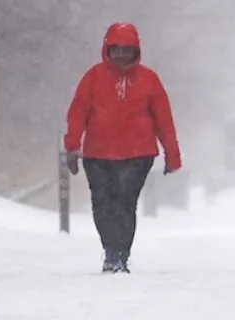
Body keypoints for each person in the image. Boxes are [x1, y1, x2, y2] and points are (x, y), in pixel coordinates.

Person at [63, 21, 182, 273]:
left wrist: (172, 154)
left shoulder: (149, 79)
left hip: (137, 154)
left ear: (136, 51)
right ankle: (111, 249)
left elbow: (163, 120)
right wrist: (72, 146)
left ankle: (121, 254)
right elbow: (77, 114)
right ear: (107, 49)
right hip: (97, 153)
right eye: (116, 49)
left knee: (125, 203)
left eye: (127, 50)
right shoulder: (92, 77)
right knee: (102, 203)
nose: (120, 55)